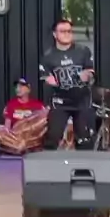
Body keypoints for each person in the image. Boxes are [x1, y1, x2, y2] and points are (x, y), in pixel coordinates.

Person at [40, 18, 95, 150]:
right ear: (55, 34)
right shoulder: (48, 56)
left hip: (81, 101)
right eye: (63, 31)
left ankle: (84, 162)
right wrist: (50, 80)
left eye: (69, 31)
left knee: (84, 141)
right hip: (60, 102)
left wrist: (87, 75)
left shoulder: (83, 51)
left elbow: (91, 71)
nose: (67, 34)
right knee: (52, 138)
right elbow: (46, 77)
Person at [0, 79, 47, 155]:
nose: (18, 89)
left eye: (21, 86)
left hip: (31, 137)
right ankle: (17, 147)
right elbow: (7, 127)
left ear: (28, 89)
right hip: (16, 137)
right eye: (16, 87)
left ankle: (24, 146)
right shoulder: (11, 104)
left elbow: (43, 124)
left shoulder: (37, 105)